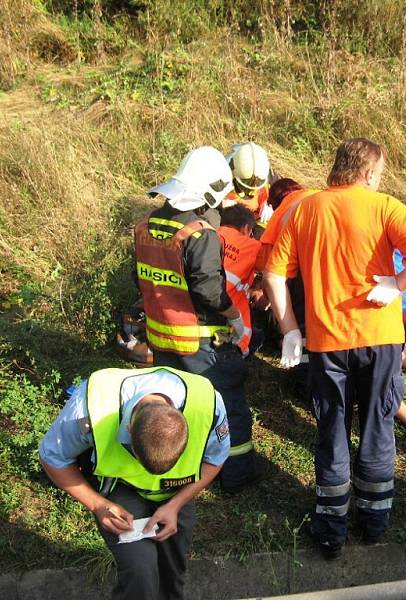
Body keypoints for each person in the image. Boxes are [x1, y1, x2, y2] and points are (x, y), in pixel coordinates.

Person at [263, 138, 406, 559]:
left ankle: (330, 530)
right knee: (378, 426)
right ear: (367, 173)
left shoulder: (304, 208)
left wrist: (290, 330)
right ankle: (375, 522)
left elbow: (273, 277)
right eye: (379, 174)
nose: (380, 181)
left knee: (333, 430)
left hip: (327, 342)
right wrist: (395, 285)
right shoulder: (386, 208)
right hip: (380, 340)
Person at [39, 366, 230, 600]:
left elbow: (215, 459)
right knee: (141, 576)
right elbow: (52, 456)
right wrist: (98, 504)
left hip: (178, 493)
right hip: (122, 491)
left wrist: (176, 504)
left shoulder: (207, 404)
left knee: (171, 576)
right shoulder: (90, 405)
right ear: (129, 429)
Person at [134, 146, 261, 494]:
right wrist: (234, 317)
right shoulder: (197, 234)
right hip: (200, 342)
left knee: (177, 408)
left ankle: (181, 469)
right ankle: (236, 476)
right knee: (228, 405)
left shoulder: (145, 226)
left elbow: (141, 279)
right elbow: (208, 290)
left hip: (161, 338)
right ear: (206, 192)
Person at [217, 204, 262, 356]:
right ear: (246, 229)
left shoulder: (207, 234)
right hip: (229, 320)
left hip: (193, 313)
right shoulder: (253, 246)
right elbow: (273, 271)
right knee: (258, 336)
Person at [224, 142, 273, 233]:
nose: (252, 190)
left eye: (256, 185)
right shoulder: (222, 174)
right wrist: (220, 204)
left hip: (252, 222)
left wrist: (269, 205)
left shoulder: (261, 174)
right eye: (247, 184)